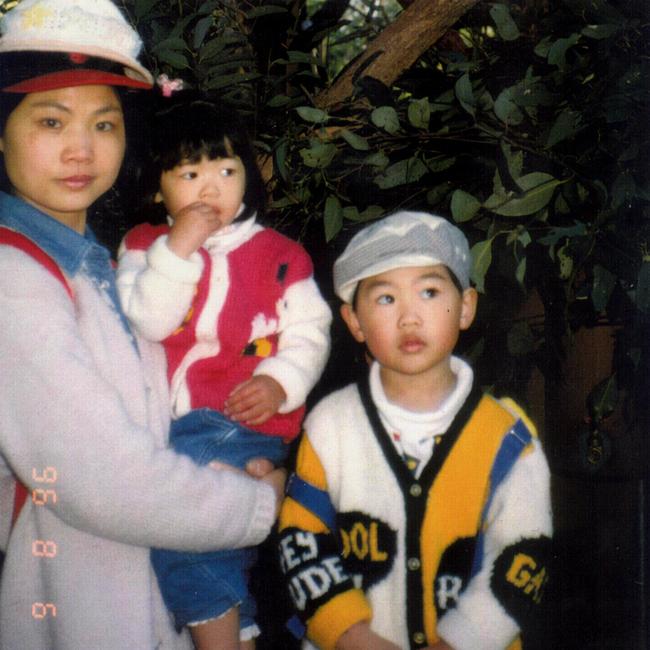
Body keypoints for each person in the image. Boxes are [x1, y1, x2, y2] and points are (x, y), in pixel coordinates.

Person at [0, 1, 285, 649]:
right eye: (51, 121)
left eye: (104, 123)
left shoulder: (93, 263)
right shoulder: (14, 278)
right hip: (81, 597)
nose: (81, 149)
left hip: (144, 581)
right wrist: (262, 506)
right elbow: (103, 480)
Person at [116, 89, 332, 648]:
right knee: (207, 548)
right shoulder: (144, 247)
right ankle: (241, 634)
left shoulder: (281, 253)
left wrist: (280, 381)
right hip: (167, 428)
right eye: (189, 173)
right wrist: (178, 250)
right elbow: (149, 322)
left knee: (184, 531)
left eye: (226, 169)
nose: (211, 186)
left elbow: (310, 332)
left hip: (240, 419)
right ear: (155, 184)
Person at [278, 210, 553, 650]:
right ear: (354, 322)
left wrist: (463, 639)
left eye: (429, 292)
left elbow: (525, 554)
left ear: (464, 307)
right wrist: (349, 633)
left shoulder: (508, 438)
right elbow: (301, 536)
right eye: (385, 299)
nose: (409, 317)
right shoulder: (331, 426)